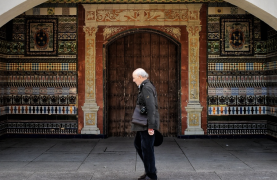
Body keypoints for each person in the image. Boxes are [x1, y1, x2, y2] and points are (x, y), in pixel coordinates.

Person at [132, 68, 160, 180]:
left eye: (134, 78)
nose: (133, 80)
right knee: (138, 144)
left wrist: (151, 126)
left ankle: (151, 174)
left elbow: (151, 107)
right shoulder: (145, 86)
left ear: (140, 77)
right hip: (142, 123)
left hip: (146, 124)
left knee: (147, 149)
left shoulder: (146, 87)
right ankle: (150, 169)